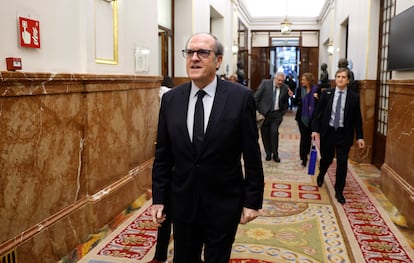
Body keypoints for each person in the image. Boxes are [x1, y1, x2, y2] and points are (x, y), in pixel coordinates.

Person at [150, 32, 264, 263]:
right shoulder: (171, 99)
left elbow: (251, 154)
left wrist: (252, 200)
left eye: (203, 52)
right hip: (183, 203)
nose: (194, 58)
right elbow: (163, 155)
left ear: (218, 61)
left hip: (224, 202)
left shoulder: (240, 98)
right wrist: (159, 198)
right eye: (190, 52)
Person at [311, 68, 365, 204]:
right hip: (328, 132)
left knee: (342, 162)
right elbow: (318, 113)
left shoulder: (354, 97)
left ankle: (339, 191)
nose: (340, 79)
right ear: (335, 79)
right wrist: (315, 130)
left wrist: (360, 136)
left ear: (348, 80)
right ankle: (322, 173)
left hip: (344, 134)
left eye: (343, 77)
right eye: (338, 76)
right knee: (327, 159)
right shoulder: (327, 94)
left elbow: (357, 118)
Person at [255, 71, 293, 162]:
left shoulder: (285, 87)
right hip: (264, 114)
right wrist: (256, 110)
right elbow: (256, 97)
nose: (280, 82)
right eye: (279, 80)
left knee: (274, 133)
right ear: (274, 78)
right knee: (265, 134)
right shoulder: (265, 83)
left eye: (282, 81)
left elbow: (285, 101)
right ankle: (268, 153)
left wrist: (282, 112)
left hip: (276, 115)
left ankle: (275, 154)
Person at [293, 73, 318, 167]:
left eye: (304, 80)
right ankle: (303, 157)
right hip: (301, 117)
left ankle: (307, 152)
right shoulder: (299, 90)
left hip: (312, 118)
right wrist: (292, 96)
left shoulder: (316, 90)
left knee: (309, 138)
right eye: (302, 79)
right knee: (304, 137)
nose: (302, 81)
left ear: (309, 80)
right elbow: (295, 103)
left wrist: (317, 98)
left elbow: (319, 104)